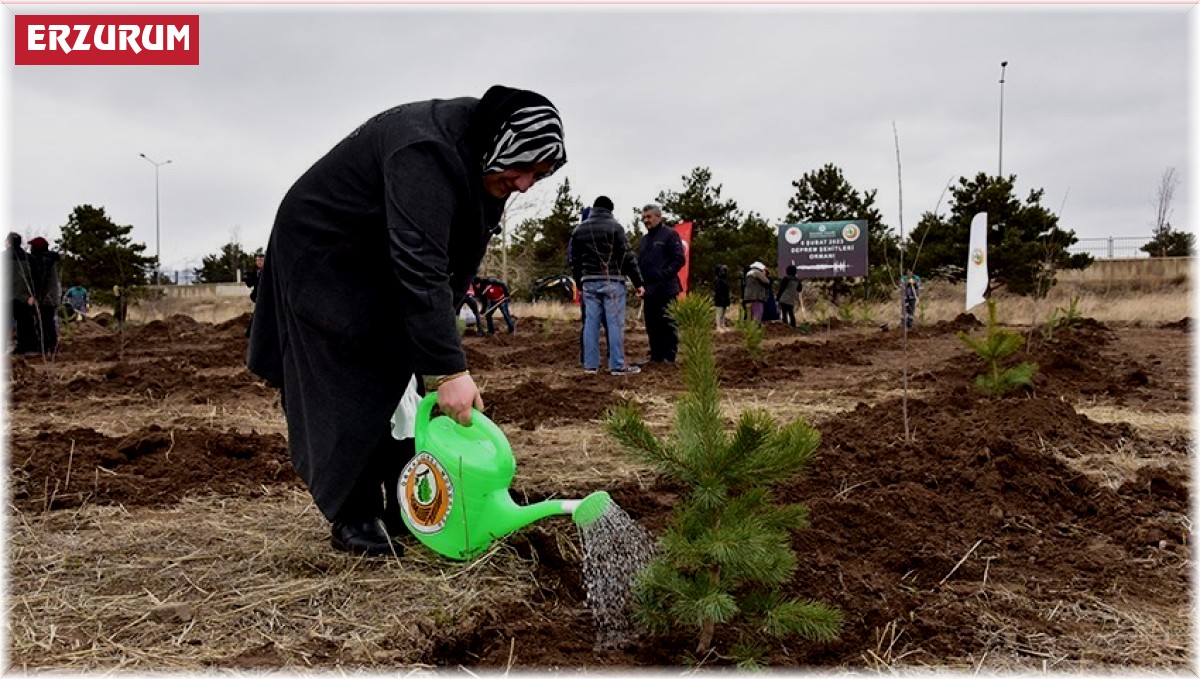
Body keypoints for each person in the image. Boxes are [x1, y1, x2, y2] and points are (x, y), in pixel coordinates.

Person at [246, 85, 566, 558]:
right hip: (325, 253)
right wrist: (449, 370)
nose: (524, 184)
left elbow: (456, 263)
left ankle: (406, 500)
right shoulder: (425, 150)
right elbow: (420, 262)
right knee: (348, 376)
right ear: (503, 143)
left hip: (379, 253)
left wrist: (435, 352)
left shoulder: (486, 162)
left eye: (538, 176)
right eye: (523, 168)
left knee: (405, 372)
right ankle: (353, 511)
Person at [568, 195, 644, 375]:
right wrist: (638, 282)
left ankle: (590, 365)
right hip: (613, 281)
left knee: (591, 324)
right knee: (615, 324)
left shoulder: (579, 230)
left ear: (594, 209)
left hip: (588, 282)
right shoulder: (615, 227)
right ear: (610, 210)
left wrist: (579, 282)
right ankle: (617, 366)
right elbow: (626, 256)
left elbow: (575, 261)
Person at [635, 203, 685, 365]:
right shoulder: (644, 240)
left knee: (668, 324)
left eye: (649, 217)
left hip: (666, 289)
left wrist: (663, 275)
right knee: (652, 325)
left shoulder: (670, 235)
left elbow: (679, 259)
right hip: (649, 290)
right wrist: (639, 284)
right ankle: (655, 357)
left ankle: (669, 358)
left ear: (658, 217)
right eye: (643, 218)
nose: (646, 220)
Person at [26, 237, 61, 355]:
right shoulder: (50, 259)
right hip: (50, 297)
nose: (30, 249)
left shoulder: (44, 261)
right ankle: (51, 347)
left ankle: (47, 347)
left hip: (46, 298)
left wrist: (34, 295)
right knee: (47, 323)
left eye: (32, 247)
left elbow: (40, 280)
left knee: (45, 323)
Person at [7, 233, 37, 354]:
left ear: (8, 242)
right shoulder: (30, 258)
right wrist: (33, 295)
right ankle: (27, 347)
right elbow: (37, 278)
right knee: (25, 324)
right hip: (24, 296)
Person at [244, 253, 265, 337]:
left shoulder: (268, 272)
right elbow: (250, 284)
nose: (259, 262)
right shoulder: (255, 272)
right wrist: (247, 278)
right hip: (258, 297)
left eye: (261, 260)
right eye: (258, 260)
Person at [713, 264, 731, 330]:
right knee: (719, 313)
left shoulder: (724, 279)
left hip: (725, 298)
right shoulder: (717, 279)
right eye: (722, 270)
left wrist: (727, 299)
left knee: (724, 313)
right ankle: (718, 326)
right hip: (719, 299)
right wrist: (722, 298)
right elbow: (718, 291)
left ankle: (722, 325)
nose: (724, 272)